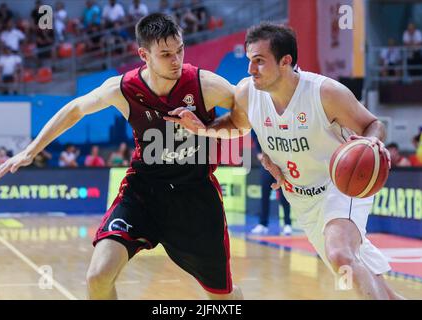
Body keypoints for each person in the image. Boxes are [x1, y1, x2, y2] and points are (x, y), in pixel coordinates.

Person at [0, 13, 242, 300]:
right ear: (144, 55)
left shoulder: (204, 85)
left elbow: (245, 115)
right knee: (98, 277)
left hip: (195, 197)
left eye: (180, 50)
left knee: (223, 297)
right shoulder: (123, 88)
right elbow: (75, 109)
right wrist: (30, 151)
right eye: (166, 54)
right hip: (143, 191)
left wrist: (210, 129)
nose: (176, 60)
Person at [168, 22, 403, 300]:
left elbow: (373, 124)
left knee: (341, 255)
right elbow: (236, 124)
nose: (250, 70)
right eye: (249, 61)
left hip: (339, 186)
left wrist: (371, 143)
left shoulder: (325, 93)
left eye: (258, 61)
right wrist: (202, 128)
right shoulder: (248, 94)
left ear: (285, 61)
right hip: (302, 200)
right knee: (356, 271)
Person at [251, 152, 292, 235]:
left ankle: (287, 224)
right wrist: (260, 154)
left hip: (280, 166)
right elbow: (256, 141)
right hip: (266, 166)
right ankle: (263, 224)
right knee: (264, 197)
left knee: (284, 197)